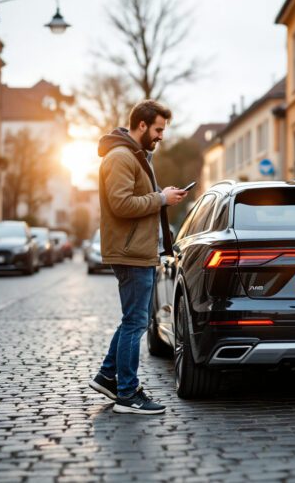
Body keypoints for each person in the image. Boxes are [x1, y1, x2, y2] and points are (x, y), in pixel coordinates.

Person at [89, 100, 188, 414]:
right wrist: (161, 198)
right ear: (142, 125)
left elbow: (135, 199)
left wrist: (163, 196)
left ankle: (108, 376)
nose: (161, 136)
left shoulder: (134, 155)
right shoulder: (121, 157)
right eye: (158, 129)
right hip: (131, 252)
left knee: (135, 319)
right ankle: (128, 394)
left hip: (138, 251)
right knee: (135, 323)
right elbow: (121, 204)